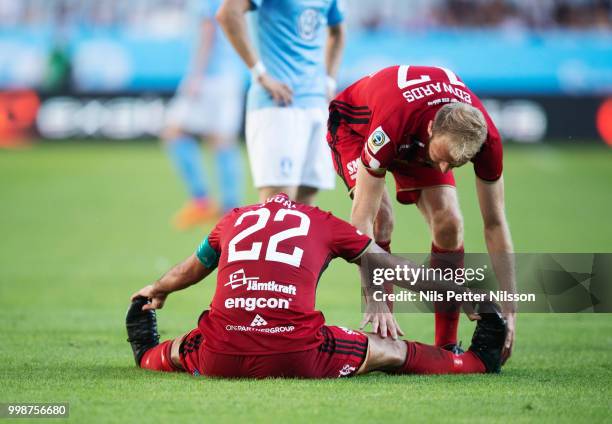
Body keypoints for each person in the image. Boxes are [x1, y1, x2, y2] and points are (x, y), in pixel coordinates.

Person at [126, 193, 507, 378]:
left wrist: (156, 289)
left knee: (184, 347)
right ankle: (474, 360)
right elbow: (393, 267)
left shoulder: (235, 219)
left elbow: (191, 268)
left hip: (220, 356)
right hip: (297, 353)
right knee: (388, 350)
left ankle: (145, 353)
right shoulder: (321, 220)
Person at [326, 65, 516, 360]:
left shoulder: (486, 139)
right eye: (442, 159)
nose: (442, 171)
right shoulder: (392, 124)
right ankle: (382, 333)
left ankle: (446, 345)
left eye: (453, 166)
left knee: (450, 222)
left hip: (417, 143)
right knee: (381, 218)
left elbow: (495, 223)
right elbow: (361, 221)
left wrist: (510, 306)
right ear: (431, 130)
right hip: (356, 128)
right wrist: (373, 295)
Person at [216, 0, 345, 205]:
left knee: (306, 204)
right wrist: (260, 73)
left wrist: (329, 81)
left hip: (316, 105)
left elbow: (337, 31)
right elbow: (227, 14)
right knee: (276, 205)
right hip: (277, 107)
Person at [163, 0, 246, 230]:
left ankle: (202, 201)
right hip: (228, 75)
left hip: (211, 77)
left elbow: (208, 28)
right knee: (220, 140)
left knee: (174, 132)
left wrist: (196, 74)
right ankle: (230, 208)